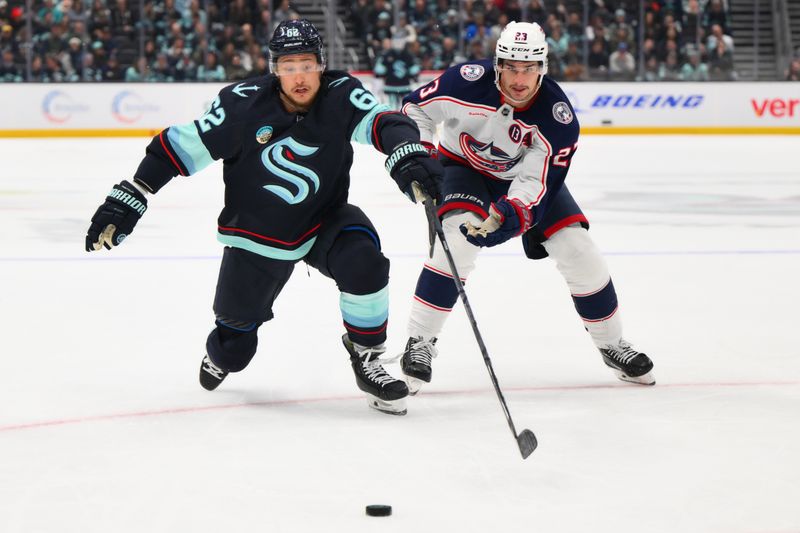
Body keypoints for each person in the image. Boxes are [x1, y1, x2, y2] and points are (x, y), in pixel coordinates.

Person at [84, 19, 442, 416]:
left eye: (306, 64)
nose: (299, 76)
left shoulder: (340, 94)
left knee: (364, 260)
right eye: (288, 67)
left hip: (324, 218)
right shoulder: (242, 104)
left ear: (321, 64)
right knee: (236, 345)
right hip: (257, 234)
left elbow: (384, 123)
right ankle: (221, 355)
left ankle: (367, 357)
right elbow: (178, 147)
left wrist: (407, 153)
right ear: (274, 69)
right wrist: (133, 193)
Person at [397, 21, 655, 394]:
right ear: (498, 64)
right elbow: (414, 109)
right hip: (462, 170)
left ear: (543, 67)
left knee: (578, 250)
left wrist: (512, 212)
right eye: (512, 68)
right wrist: (421, 157)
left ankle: (612, 343)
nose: (520, 79)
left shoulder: (558, 118)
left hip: (522, 180)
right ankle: (420, 342)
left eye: (530, 68)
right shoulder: (463, 82)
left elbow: (537, 182)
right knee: (457, 243)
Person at [373, 36, 421, 110]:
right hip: (393, 86)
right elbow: (379, 70)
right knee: (399, 107)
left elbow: (379, 70)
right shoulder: (388, 54)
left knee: (402, 107)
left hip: (401, 86)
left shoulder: (407, 55)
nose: (398, 44)